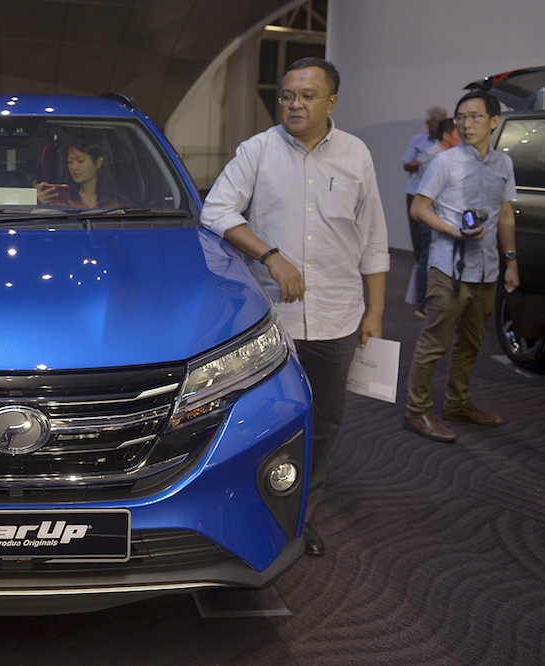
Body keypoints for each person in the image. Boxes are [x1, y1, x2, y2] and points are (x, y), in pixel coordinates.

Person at [201, 57, 389, 557]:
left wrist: (374, 312)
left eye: (307, 95)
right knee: (262, 420)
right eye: (287, 95)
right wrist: (270, 255)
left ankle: (301, 516)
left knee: (325, 421)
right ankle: (253, 507)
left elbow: (373, 239)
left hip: (339, 314)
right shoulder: (257, 150)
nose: (295, 103)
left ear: (331, 100)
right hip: (270, 320)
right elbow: (216, 210)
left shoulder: (356, 154)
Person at [403, 90, 519, 443]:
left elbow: (504, 214)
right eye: (461, 118)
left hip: (487, 268)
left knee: (472, 342)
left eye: (475, 117)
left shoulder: (503, 164)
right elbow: (419, 209)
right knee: (434, 342)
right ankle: (417, 410)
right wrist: (455, 231)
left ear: (494, 121)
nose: (466, 124)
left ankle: (457, 402)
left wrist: (511, 262)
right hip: (448, 267)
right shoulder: (444, 162)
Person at [412, 118, 460, 317]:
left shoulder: (445, 154)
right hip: (430, 212)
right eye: (458, 134)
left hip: (438, 212)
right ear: (447, 135)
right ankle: (423, 303)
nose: (462, 137)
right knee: (426, 258)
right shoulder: (434, 156)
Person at [403, 107, 447, 277]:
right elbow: (406, 164)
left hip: (437, 196)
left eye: (444, 120)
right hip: (415, 193)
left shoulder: (448, 141)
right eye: (438, 121)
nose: (441, 124)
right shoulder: (418, 140)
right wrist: (426, 160)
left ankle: (432, 273)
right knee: (419, 239)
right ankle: (421, 275)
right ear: (429, 123)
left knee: (434, 238)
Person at [35, 135, 126, 208]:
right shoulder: (59, 198)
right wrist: (40, 205)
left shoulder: (119, 199)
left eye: (80, 161)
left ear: (98, 163)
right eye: (70, 161)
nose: (73, 167)